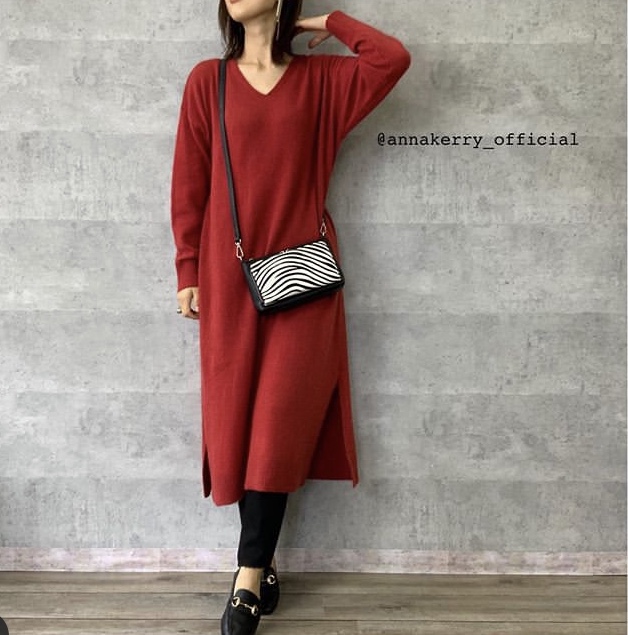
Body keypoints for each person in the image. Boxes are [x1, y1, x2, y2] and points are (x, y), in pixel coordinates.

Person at [170, 1, 410, 633]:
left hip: (303, 279)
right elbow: (190, 180)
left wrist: (329, 23)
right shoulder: (208, 81)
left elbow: (391, 60)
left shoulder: (323, 81)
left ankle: (247, 576)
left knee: (277, 423)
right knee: (239, 424)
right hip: (228, 278)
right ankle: (265, 559)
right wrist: (188, 269)